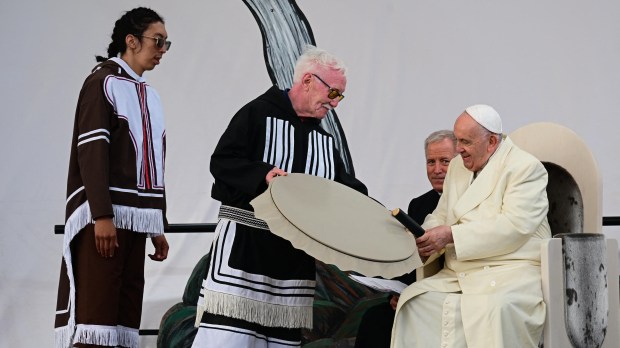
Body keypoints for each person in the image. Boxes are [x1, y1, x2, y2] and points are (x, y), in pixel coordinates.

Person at [192, 45, 368, 347]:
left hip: (291, 266)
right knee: (227, 341)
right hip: (245, 253)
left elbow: (345, 189)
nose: (336, 104)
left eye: (340, 96)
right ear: (309, 81)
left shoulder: (325, 141)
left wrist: (379, 216)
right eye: (334, 93)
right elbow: (222, 162)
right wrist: (263, 175)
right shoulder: (256, 114)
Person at [54, 7, 171, 348]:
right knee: (97, 317)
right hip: (104, 219)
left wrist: (156, 224)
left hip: (135, 221)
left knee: (124, 317)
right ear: (131, 41)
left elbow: (154, 162)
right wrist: (102, 215)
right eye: (157, 41)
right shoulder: (101, 83)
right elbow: (91, 153)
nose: (162, 50)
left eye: (166, 43)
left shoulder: (150, 95)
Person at [391, 104, 551, 347]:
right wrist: (424, 233)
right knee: (414, 302)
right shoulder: (458, 166)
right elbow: (442, 213)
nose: (458, 149)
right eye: (457, 140)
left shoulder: (525, 168)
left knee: (495, 308)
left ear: (492, 142)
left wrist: (451, 235)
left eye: (465, 142)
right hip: (460, 272)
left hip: (510, 271)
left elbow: (513, 227)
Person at [354, 130, 457, 348]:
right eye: (431, 162)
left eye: (445, 161)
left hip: (455, 295)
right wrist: (397, 294)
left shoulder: (471, 200)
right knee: (375, 318)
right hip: (418, 292)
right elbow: (412, 260)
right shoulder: (419, 204)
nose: (437, 170)